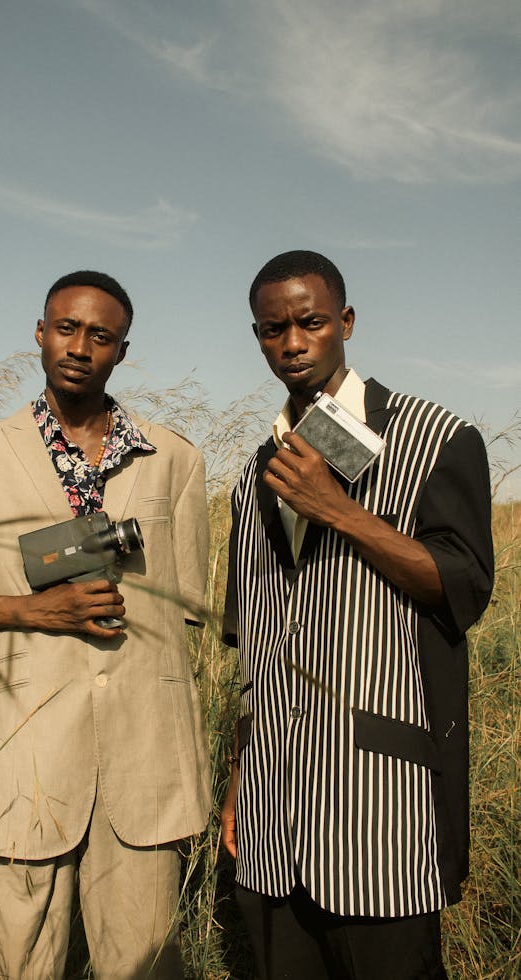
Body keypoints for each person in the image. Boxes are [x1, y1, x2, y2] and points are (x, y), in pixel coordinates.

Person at [0, 270, 211, 979]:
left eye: (100, 335)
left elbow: (189, 602)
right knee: (23, 960)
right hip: (31, 756)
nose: (80, 346)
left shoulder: (175, 460)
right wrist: (34, 610)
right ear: (40, 335)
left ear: (122, 351)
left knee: (146, 960)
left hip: (145, 759)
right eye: (66, 328)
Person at [220, 250, 494, 980]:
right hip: (273, 812)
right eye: (274, 329)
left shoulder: (436, 437)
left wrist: (340, 512)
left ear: (344, 322)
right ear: (258, 335)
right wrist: (239, 781)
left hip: (379, 807)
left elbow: (463, 587)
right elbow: (251, 643)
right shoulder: (254, 473)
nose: (293, 343)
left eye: (310, 322)